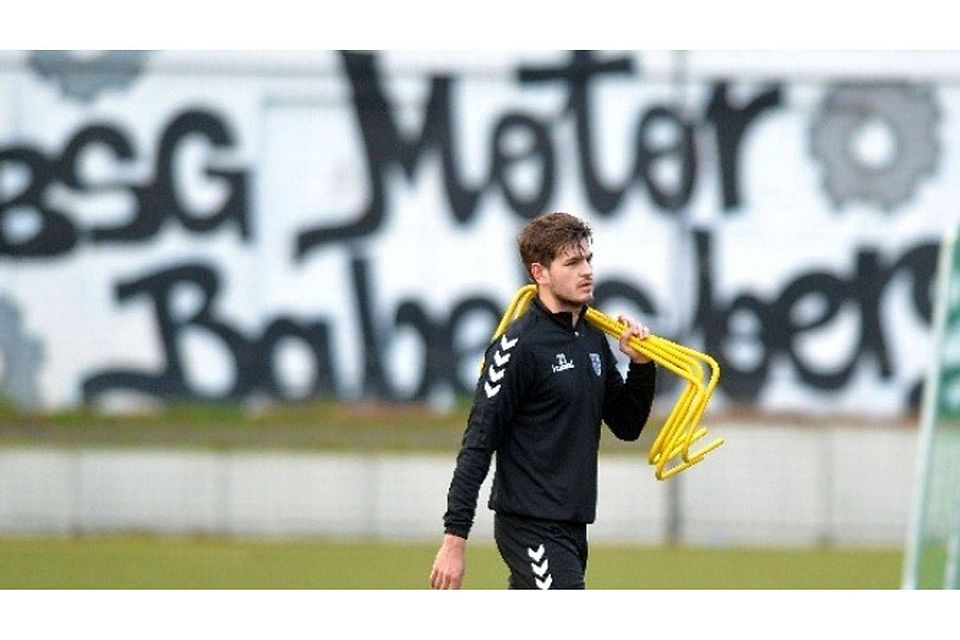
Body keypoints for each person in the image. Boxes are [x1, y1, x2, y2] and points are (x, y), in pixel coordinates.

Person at [429, 211, 657, 590]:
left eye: (588, 259)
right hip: (529, 526)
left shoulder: (591, 337)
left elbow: (627, 425)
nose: (586, 271)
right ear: (540, 273)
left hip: (573, 526)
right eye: (572, 262)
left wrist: (641, 365)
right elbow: (478, 443)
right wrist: (455, 539)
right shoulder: (518, 347)